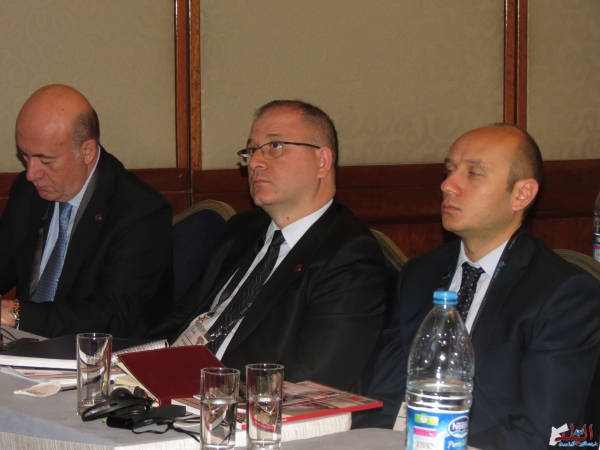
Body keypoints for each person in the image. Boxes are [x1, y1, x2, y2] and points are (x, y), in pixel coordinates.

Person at [353, 124, 600, 449]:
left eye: (474, 173)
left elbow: (542, 434)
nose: (447, 185)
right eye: (450, 170)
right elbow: (386, 394)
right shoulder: (419, 273)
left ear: (522, 194)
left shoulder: (563, 294)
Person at [147, 100, 386, 391]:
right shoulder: (241, 229)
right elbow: (185, 315)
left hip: (237, 402)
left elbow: (315, 376)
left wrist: (209, 391)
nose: (255, 162)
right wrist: (133, 362)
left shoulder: (349, 254)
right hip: (167, 384)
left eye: (275, 146)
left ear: (322, 161)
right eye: (251, 151)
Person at [0, 84, 173, 338]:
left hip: (100, 356)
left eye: (45, 160)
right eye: (25, 156)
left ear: (87, 151)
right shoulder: (27, 192)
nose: (31, 173)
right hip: (23, 349)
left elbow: (111, 317)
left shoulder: (141, 212)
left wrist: (15, 313)